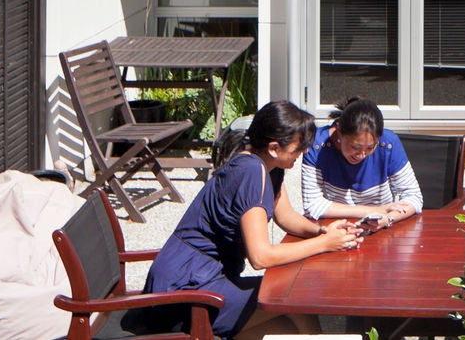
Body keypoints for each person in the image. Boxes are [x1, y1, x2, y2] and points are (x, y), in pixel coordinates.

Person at [134, 99, 358, 337]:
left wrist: (322, 232)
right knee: (295, 300)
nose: (303, 153)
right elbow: (260, 257)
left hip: (202, 280)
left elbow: (286, 217)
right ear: (274, 148)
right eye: (297, 148)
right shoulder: (250, 172)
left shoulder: (270, 166)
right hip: (182, 295)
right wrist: (324, 245)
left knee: (288, 326)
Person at [297, 96, 424, 226]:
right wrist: (373, 211)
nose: (362, 155)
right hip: (335, 226)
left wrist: (387, 219)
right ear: (339, 131)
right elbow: (312, 204)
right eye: (355, 147)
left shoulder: (389, 144)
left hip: (381, 226)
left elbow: (413, 197)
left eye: (370, 147)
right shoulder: (317, 146)